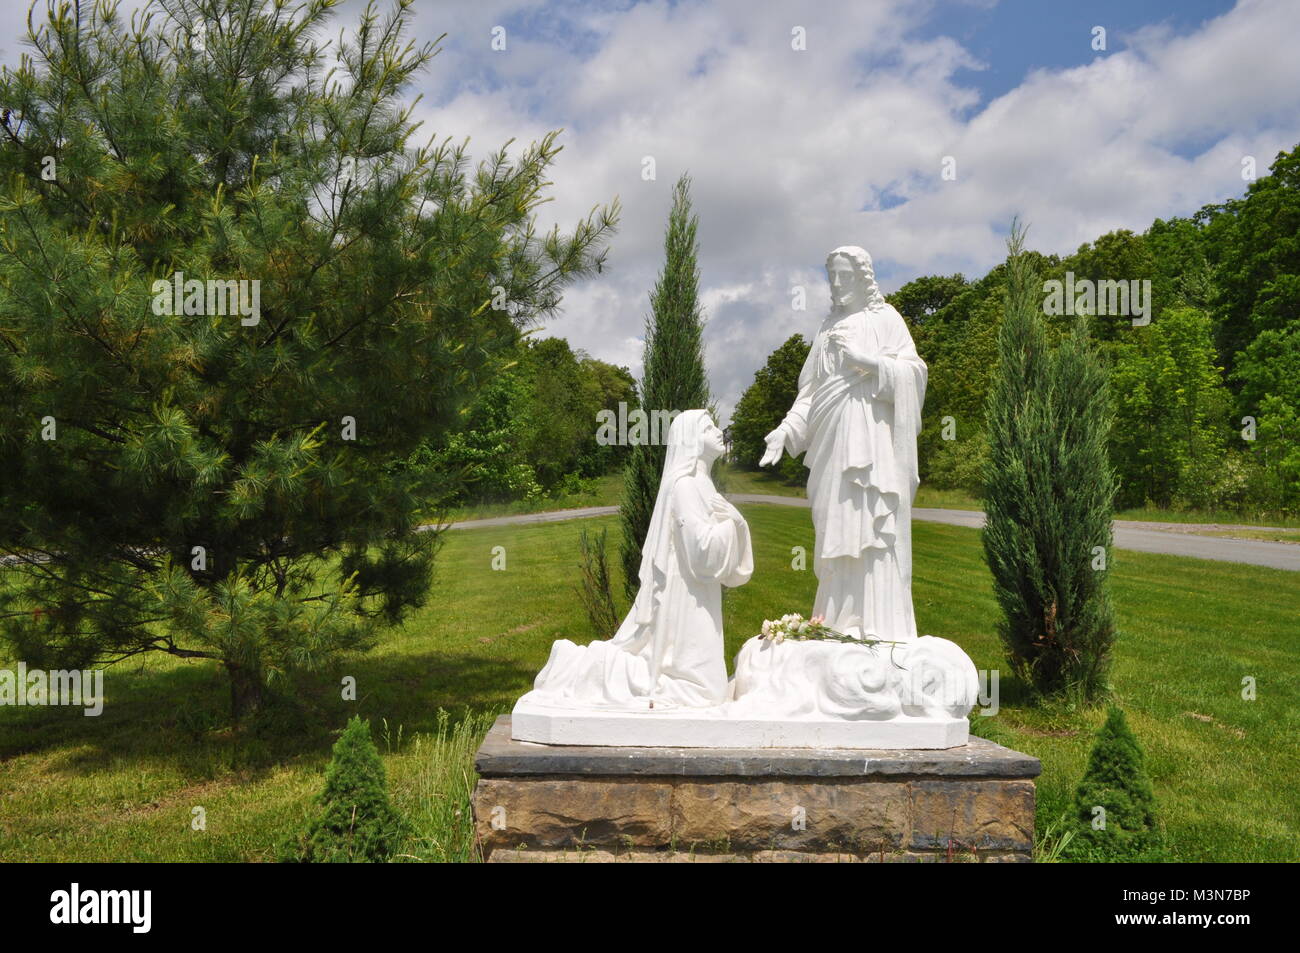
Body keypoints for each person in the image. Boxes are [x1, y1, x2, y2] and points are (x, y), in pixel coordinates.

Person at [520, 410, 752, 710]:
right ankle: (579, 666)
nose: (719, 432)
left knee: (707, 691)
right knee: (703, 692)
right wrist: (733, 524)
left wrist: (736, 523)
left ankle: (597, 668)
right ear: (692, 439)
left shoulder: (703, 484)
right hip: (686, 597)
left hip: (699, 593)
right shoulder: (685, 486)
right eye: (709, 428)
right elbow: (702, 552)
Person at [760, 246, 927, 642]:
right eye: (831, 276)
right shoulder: (826, 327)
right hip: (833, 442)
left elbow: (915, 373)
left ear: (863, 278)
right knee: (835, 523)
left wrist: (868, 363)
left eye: (844, 276)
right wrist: (785, 431)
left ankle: (880, 625)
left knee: (873, 524)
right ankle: (835, 621)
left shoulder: (885, 319)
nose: (836, 285)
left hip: (871, 439)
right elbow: (812, 392)